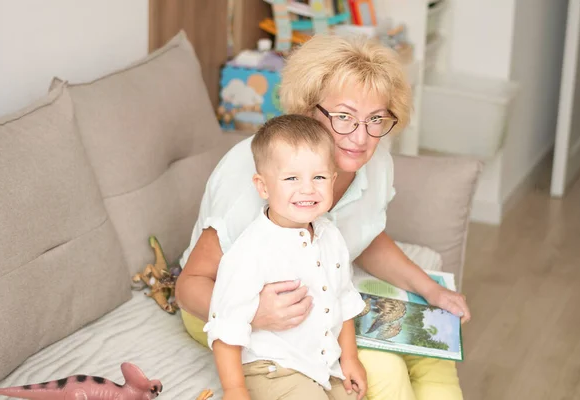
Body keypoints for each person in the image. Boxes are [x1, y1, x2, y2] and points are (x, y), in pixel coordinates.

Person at [176, 34, 471, 400]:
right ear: (306, 108)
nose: (360, 137)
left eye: (375, 119)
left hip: (316, 296)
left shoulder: (374, 162)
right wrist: (256, 312)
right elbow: (190, 284)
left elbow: (365, 234)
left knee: (433, 350)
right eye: (344, 116)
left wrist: (431, 290)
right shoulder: (255, 171)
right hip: (221, 306)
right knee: (387, 369)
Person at [205, 114, 367, 400]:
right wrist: (234, 390)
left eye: (319, 177)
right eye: (292, 178)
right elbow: (226, 326)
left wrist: (350, 358)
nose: (307, 188)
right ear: (263, 186)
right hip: (272, 368)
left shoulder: (330, 237)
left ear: (333, 180)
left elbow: (342, 298)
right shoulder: (250, 252)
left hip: (322, 365)